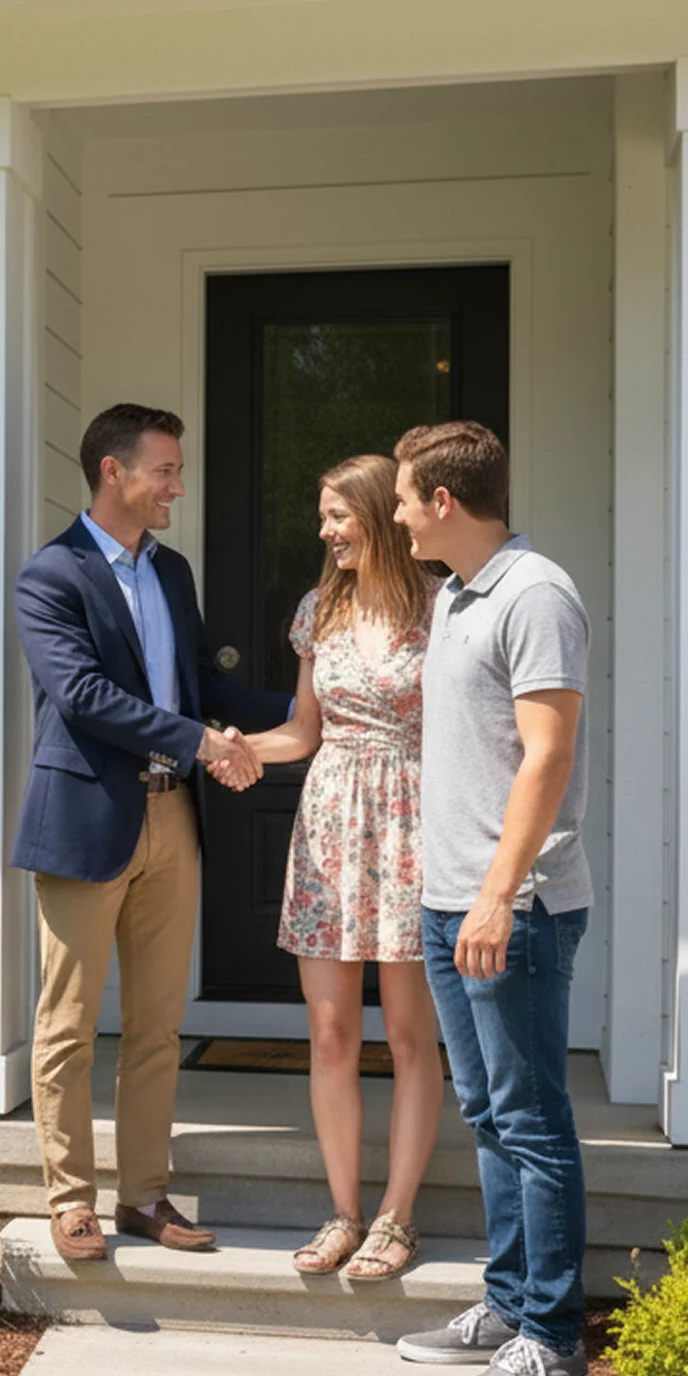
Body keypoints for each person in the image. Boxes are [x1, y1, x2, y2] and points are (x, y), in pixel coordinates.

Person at [12, 403, 294, 1264]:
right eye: (165, 470)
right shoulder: (50, 576)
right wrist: (202, 743)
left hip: (175, 818)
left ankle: (142, 1197)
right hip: (87, 822)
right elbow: (85, 696)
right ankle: (70, 1201)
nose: (178, 485)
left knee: (158, 1025)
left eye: (177, 470)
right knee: (66, 1024)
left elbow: (201, 684)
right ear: (113, 472)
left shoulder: (171, 572)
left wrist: (311, 711)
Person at [389, 421, 593, 1376]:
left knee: (532, 1120)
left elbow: (547, 753)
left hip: (512, 908)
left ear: (442, 502)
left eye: (400, 495)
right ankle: (509, 1305)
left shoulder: (535, 592)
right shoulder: (455, 594)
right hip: (449, 903)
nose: (392, 511)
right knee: (487, 1114)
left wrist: (497, 892)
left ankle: (553, 1337)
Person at [227, 454, 442, 1282]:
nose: (324, 531)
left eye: (336, 516)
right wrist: (238, 748)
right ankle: (346, 1212)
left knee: (412, 1034)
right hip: (329, 828)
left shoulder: (439, 608)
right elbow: (303, 731)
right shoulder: (321, 609)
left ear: (379, 516)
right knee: (329, 1033)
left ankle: (398, 1218)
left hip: (413, 824)